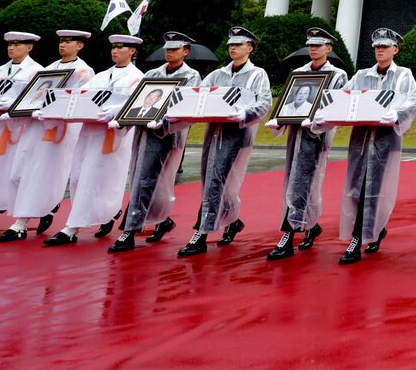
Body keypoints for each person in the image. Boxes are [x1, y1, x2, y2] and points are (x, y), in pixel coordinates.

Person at [321, 28, 416, 265]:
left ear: (395, 49)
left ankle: (359, 237)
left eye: (385, 47)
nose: (380, 50)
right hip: (361, 136)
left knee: (375, 187)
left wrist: (395, 114)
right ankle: (373, 229)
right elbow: (343, 96)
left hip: (386, 137)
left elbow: (412, 101)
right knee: (356, 186)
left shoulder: (404, 75)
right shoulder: (362, 75)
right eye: (377, 47)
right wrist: (325, 114)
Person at [174, 26, 272, 257]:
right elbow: (198, 93)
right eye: (230, 45)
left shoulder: (258, 74)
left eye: (238, 44)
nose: (233, 48)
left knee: (217, 179)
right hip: (214, 132)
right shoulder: (218, 74)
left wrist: (244, 114)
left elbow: (264, 103)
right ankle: (233, 221)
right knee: (214, 179)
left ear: (250, 47)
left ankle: (202, 232)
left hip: (237, 134)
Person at [41, 35, 146, 246]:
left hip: (111, 132)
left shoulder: (137, 77)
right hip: (89, 130)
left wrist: (116, 111)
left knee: (95, 177)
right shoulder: (101, 75)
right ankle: (109, 213)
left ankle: (72, 228)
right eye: (113, 47)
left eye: (121, 47)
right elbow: (81, 96)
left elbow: (137, 103)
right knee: (79, 176)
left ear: (132, 51)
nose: (115, 51)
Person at [0, 29, 95, 243]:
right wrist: (19, 108)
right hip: (35, 124)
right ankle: (44, 208)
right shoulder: (50, 68)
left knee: (41, 174)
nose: (63, 45)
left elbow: (76, 101)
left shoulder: (83, 72)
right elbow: (33, 95)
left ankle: (21, 223)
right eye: (61, 41)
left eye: (69, 42)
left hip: (58, 129)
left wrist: (47, 110)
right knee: (18, 172)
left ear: (79, 46)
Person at [108, 31, 202, 253]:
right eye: (167, 49)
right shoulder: (152, 73)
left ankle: (129, 230)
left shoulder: (191, 76)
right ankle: (162, 220)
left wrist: (164, 120)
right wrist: (123, 119)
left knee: (147, 178)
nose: (169, 52)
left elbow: (186, 106)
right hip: (144, 130)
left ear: (185, 51)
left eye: (175, 49)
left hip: (168, 133)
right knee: (146, 177)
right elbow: (137, 100)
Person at [262, 27, 347, 260]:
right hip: (296, 135)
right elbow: (289, 103)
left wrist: (317, 121)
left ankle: (289, 233)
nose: (313, 49)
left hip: (316, 137)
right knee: (294, 180)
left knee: (305, 182)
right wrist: (279, 120)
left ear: (328, 48)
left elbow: (335, 107)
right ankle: (309, 225)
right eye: (310, 45)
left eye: (318, 45)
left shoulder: (337, 75)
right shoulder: (299, 72)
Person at [0, 31, 43, 218]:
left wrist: (12, 104)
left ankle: (30, 210)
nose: (11, 48)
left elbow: (36, 99)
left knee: (17, 171)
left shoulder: (36, 71)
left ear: (29, 47)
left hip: (21, 126)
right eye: (9, 44)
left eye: (17, 44)